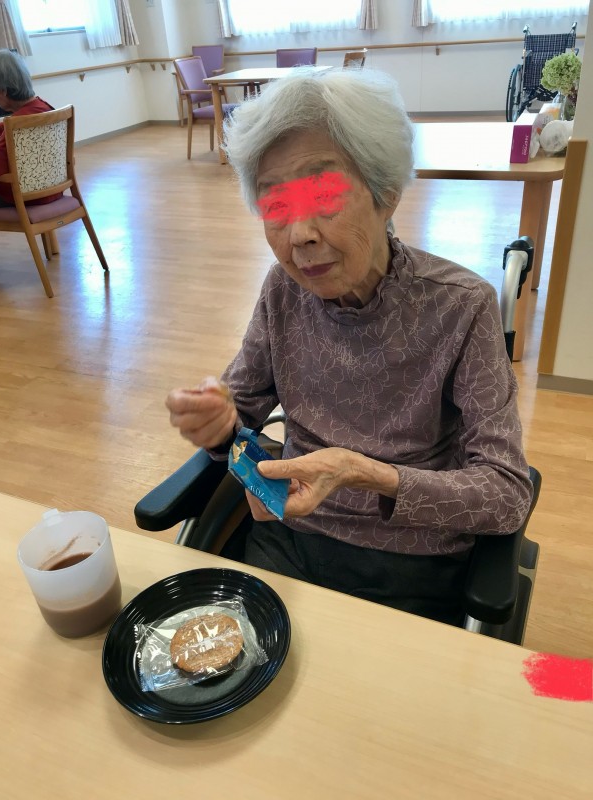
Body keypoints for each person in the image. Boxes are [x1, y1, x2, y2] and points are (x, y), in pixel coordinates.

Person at [166, 67, 533, 627]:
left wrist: (365, 473)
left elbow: (506, 493)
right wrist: (218, 425)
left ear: (386, 193)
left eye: (324, 195)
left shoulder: (463, 307)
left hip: (415, 560)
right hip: (290, 539)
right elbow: (238, 419)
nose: (300, 235)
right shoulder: (283, 291)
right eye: (276, 207)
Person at [0, 49, 60, 208]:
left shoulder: (18, 123)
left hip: (26, 196)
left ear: (3, 90)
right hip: (51, 189)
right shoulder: (41, 108)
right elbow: (4, 127)